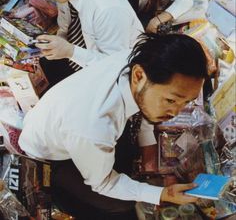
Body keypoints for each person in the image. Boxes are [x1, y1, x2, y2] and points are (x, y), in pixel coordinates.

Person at [19, 33, 208, 220]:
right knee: (121, 206)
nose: (175, 112)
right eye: (170, 100)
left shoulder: (135, 58)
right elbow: (103, 184)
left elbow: (97, 61)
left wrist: (148, 143)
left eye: (186, 102)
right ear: (138, 75)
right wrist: (161, 194)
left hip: (55, 119)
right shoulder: (95, 127)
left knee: (126, 155)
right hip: (46, 155)